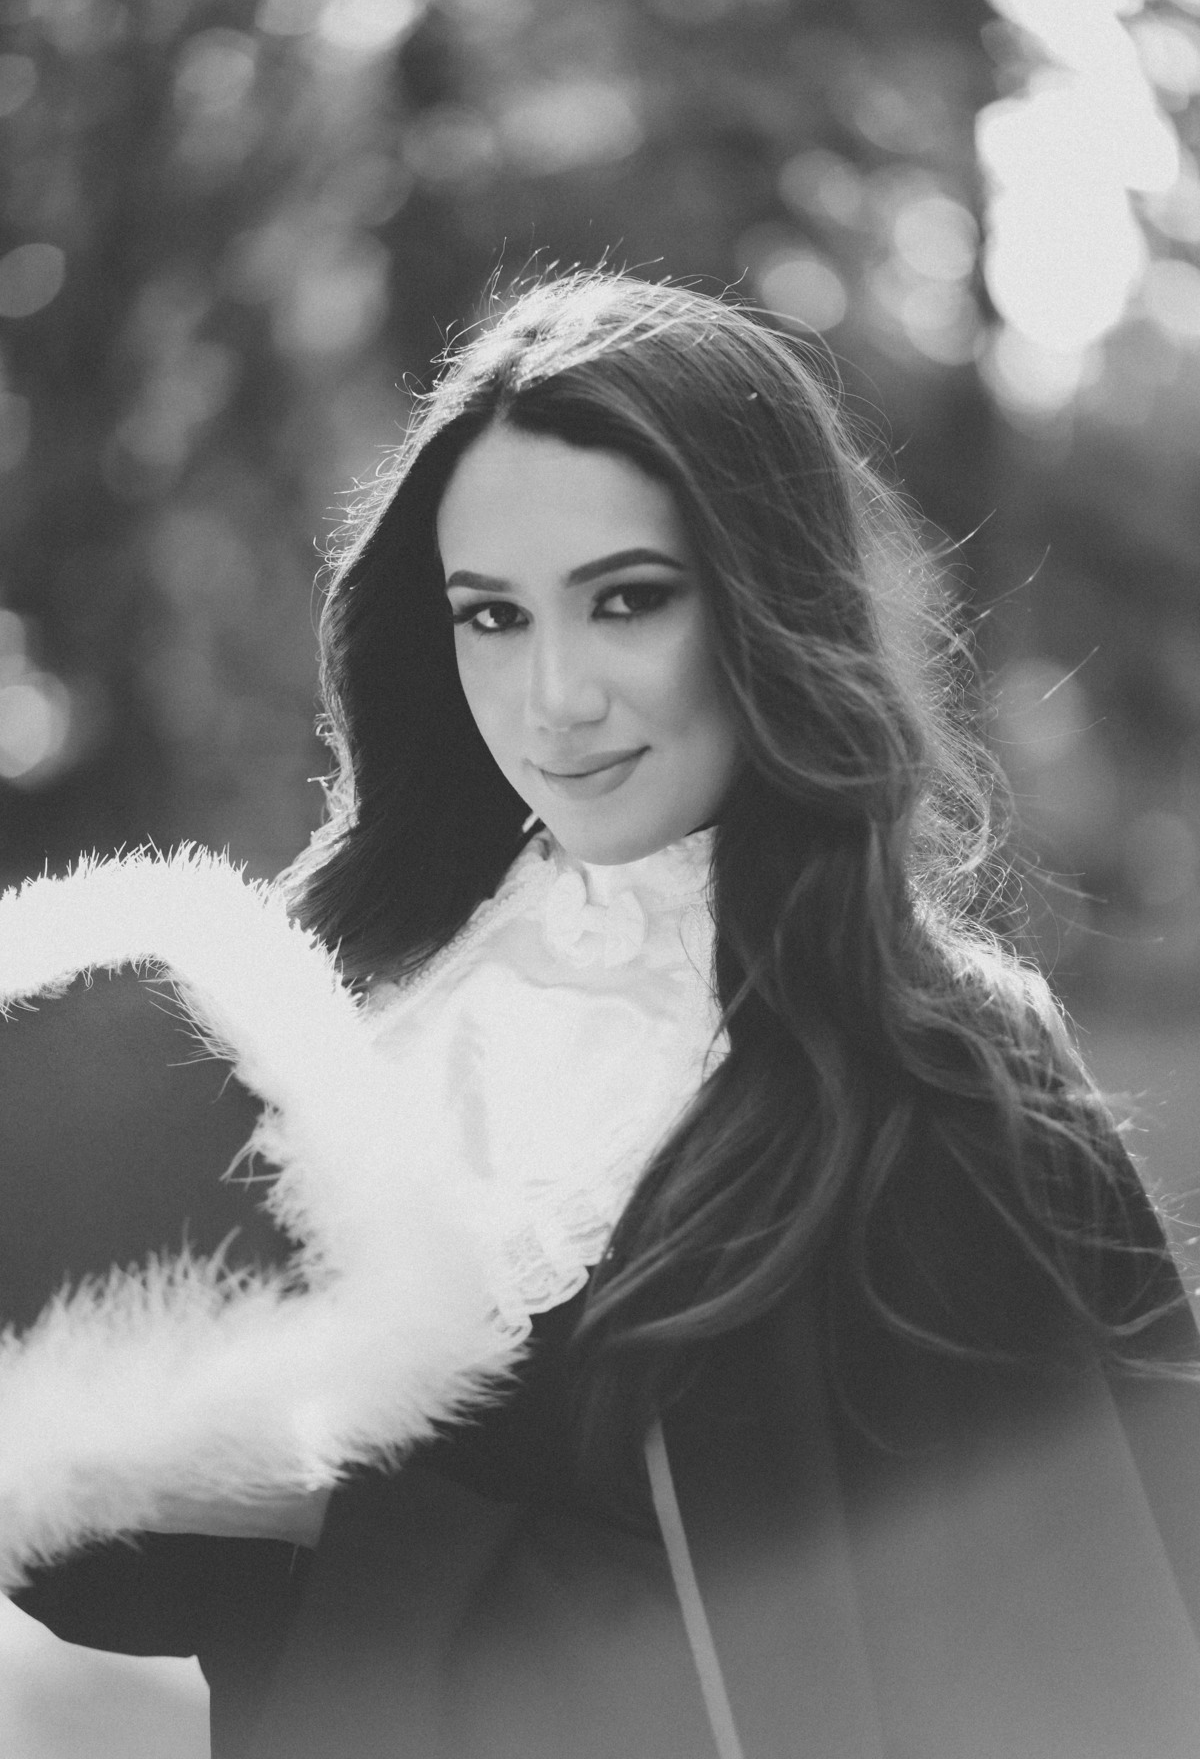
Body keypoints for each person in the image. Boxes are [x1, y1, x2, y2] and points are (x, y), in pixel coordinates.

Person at [4, 268, 1200, 1759]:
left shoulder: (946, 1077)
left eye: (628, 599)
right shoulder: (341, 993)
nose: (553, 696)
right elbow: (119, 1562)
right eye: (491, 617)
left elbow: (1069, 1673)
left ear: (768, 599)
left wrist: (344, 1529)